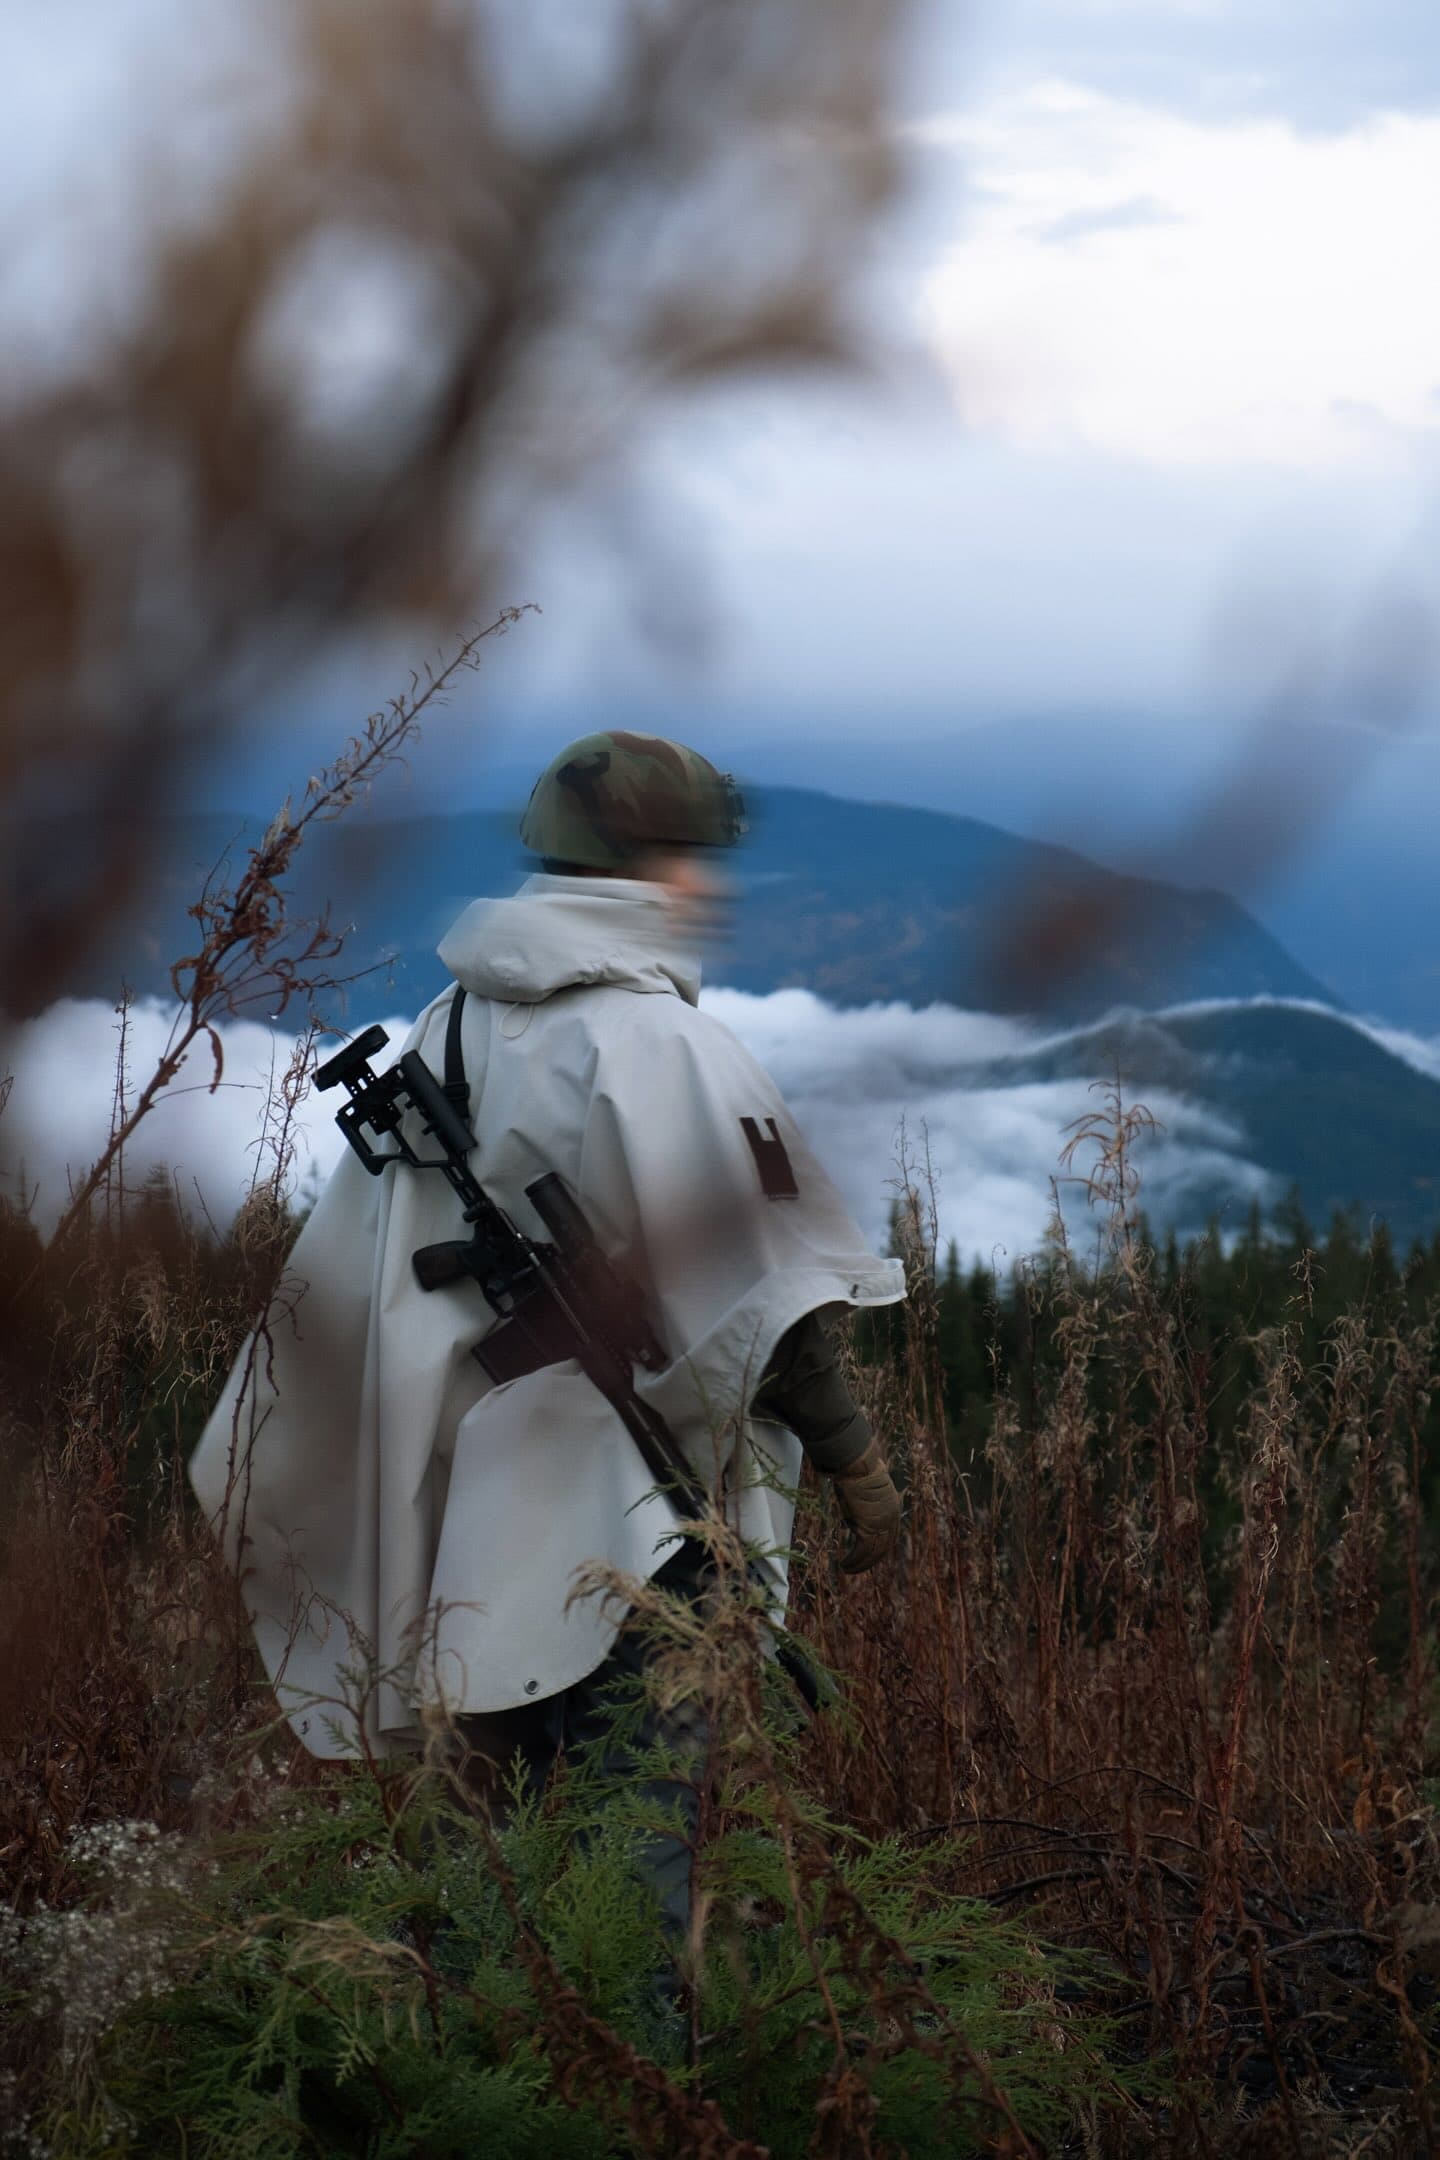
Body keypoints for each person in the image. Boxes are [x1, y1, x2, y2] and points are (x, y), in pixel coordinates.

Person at [189, 731, 904, 1923]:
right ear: (645, 865)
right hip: (645, 1542)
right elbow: (770, 1305)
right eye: (694, 858)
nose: (711, 886)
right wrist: (860, 1470)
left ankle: (501, 2097)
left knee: (497, 1893)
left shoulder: (448, 1028)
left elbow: (368, 1291)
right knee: (641, 1882)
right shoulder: (662, 1044)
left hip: (481, 1539)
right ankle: (634, 2107)